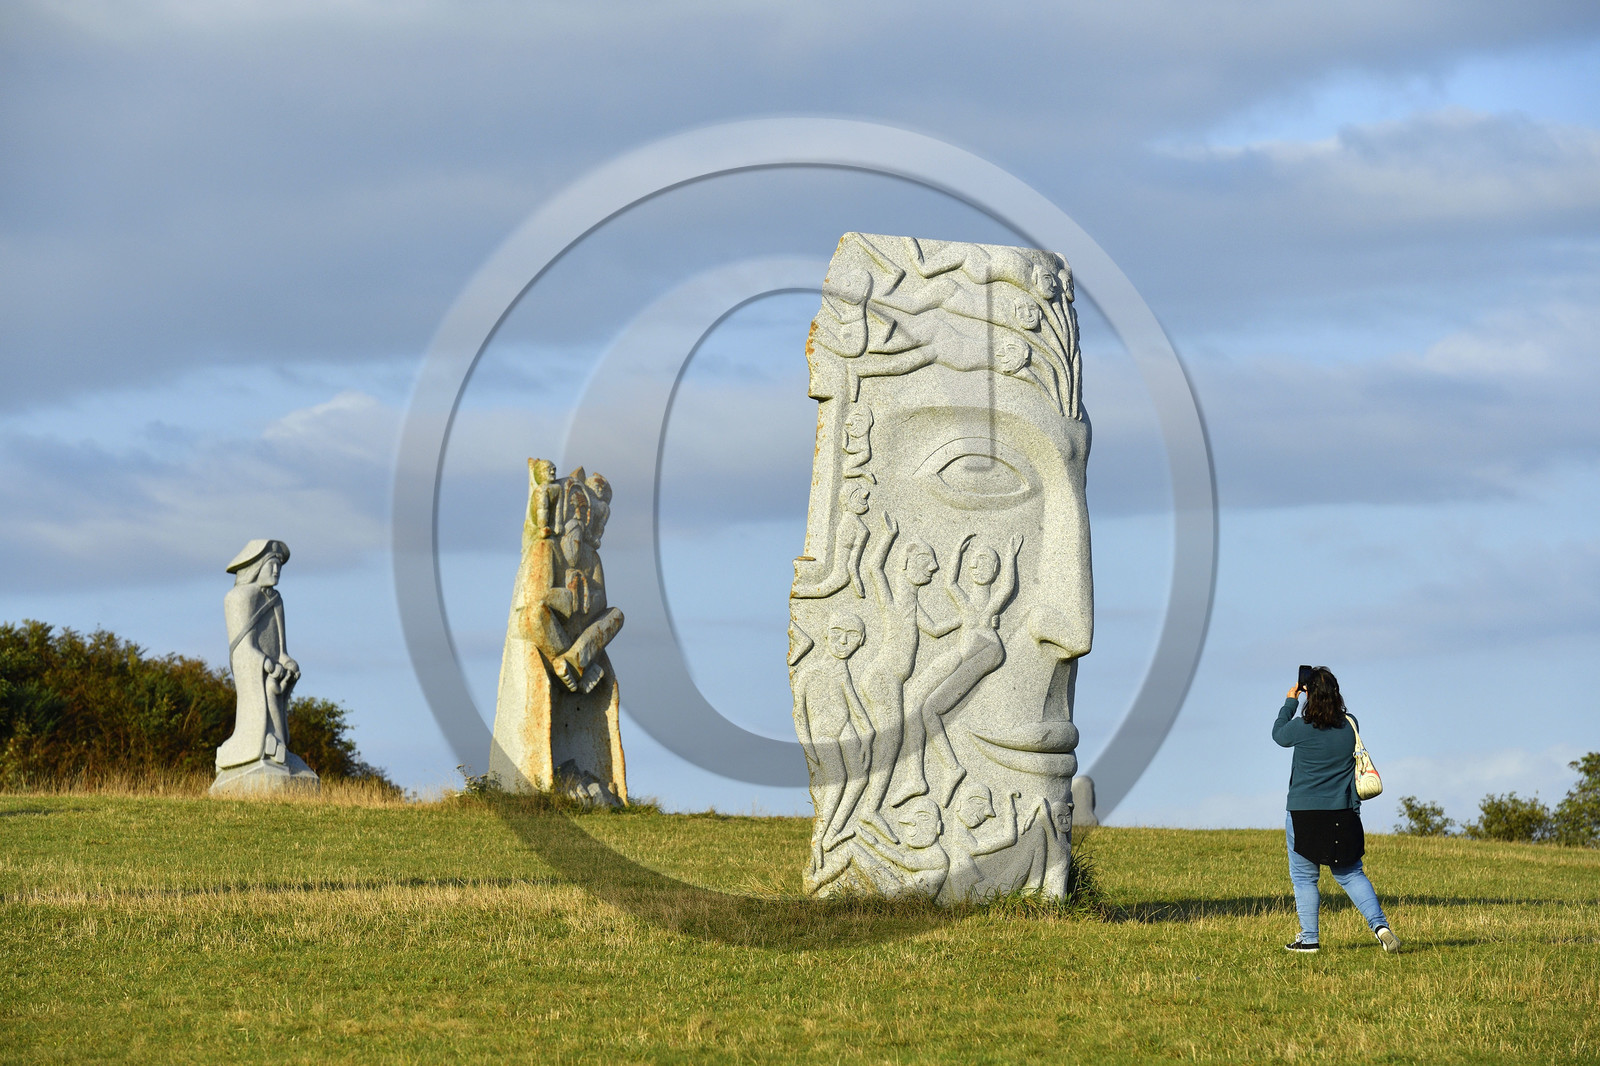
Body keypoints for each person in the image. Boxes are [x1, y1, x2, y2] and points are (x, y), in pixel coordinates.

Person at [1273, 666, 1401, 954]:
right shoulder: (1350, 724)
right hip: (1343, 813)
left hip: (1304, 813)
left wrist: (1290, 701)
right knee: (1351, 874)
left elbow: (1278, 735)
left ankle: (1309, 939)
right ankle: (1380, 927)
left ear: (1309, 695)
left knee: (1305, 878)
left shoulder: (1300, 728)